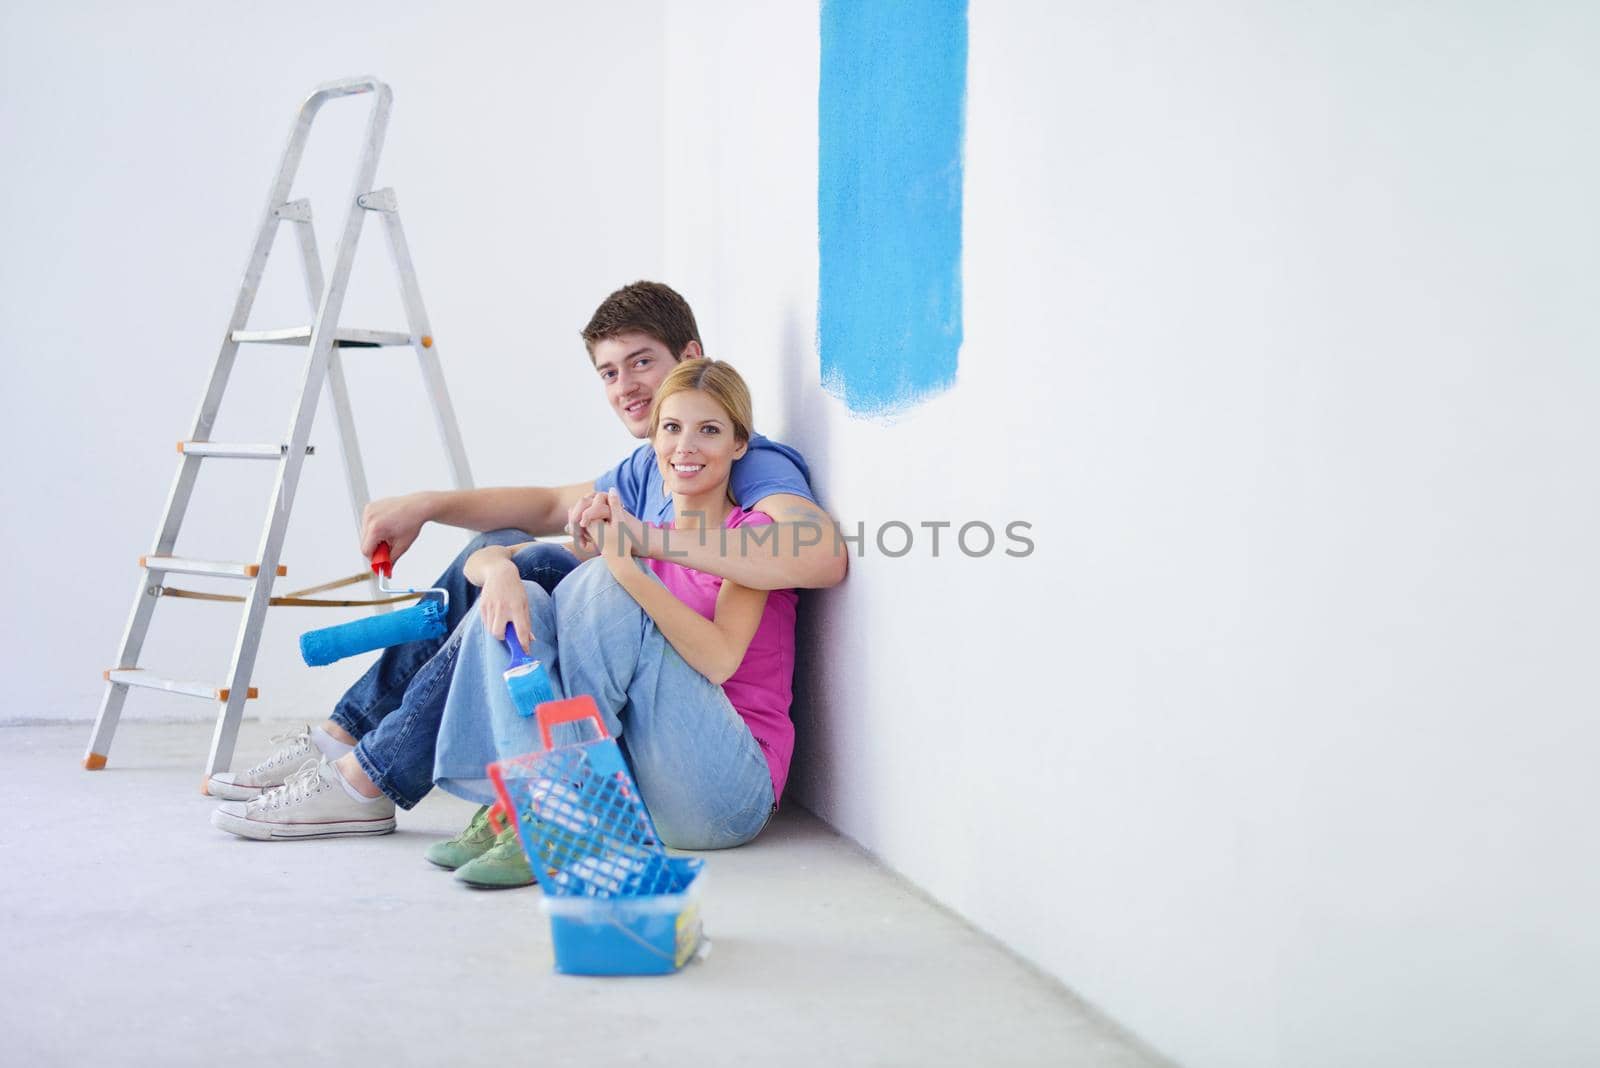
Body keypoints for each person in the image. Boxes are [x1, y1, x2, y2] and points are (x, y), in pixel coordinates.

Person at [210, 283, 844, 878]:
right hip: (665, 747)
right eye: (609, 372)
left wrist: (631, 551)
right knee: (511, 567)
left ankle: (442, 784)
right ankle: (380, 752)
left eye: (641, 363)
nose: (626, 387)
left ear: (691, 363)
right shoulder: (647, 471)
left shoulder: (751, 469)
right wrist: (440, 518)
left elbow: (817, 555)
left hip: (721, 765)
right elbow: (544, 507)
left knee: (580, 580)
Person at [434, 358, 793, 853]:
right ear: (654, 441)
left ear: (738, 444)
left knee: (607, 580)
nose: (685, 446)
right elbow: (493, 556)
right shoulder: (645, 535)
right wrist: (498, 574)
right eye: (671, 428)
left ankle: (555, 810)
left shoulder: (753, 537)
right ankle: (532, 801)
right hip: (648, 787)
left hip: (728, 793)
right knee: (528, 600)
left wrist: (623, 564)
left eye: (708, 430)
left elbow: (719, 659)